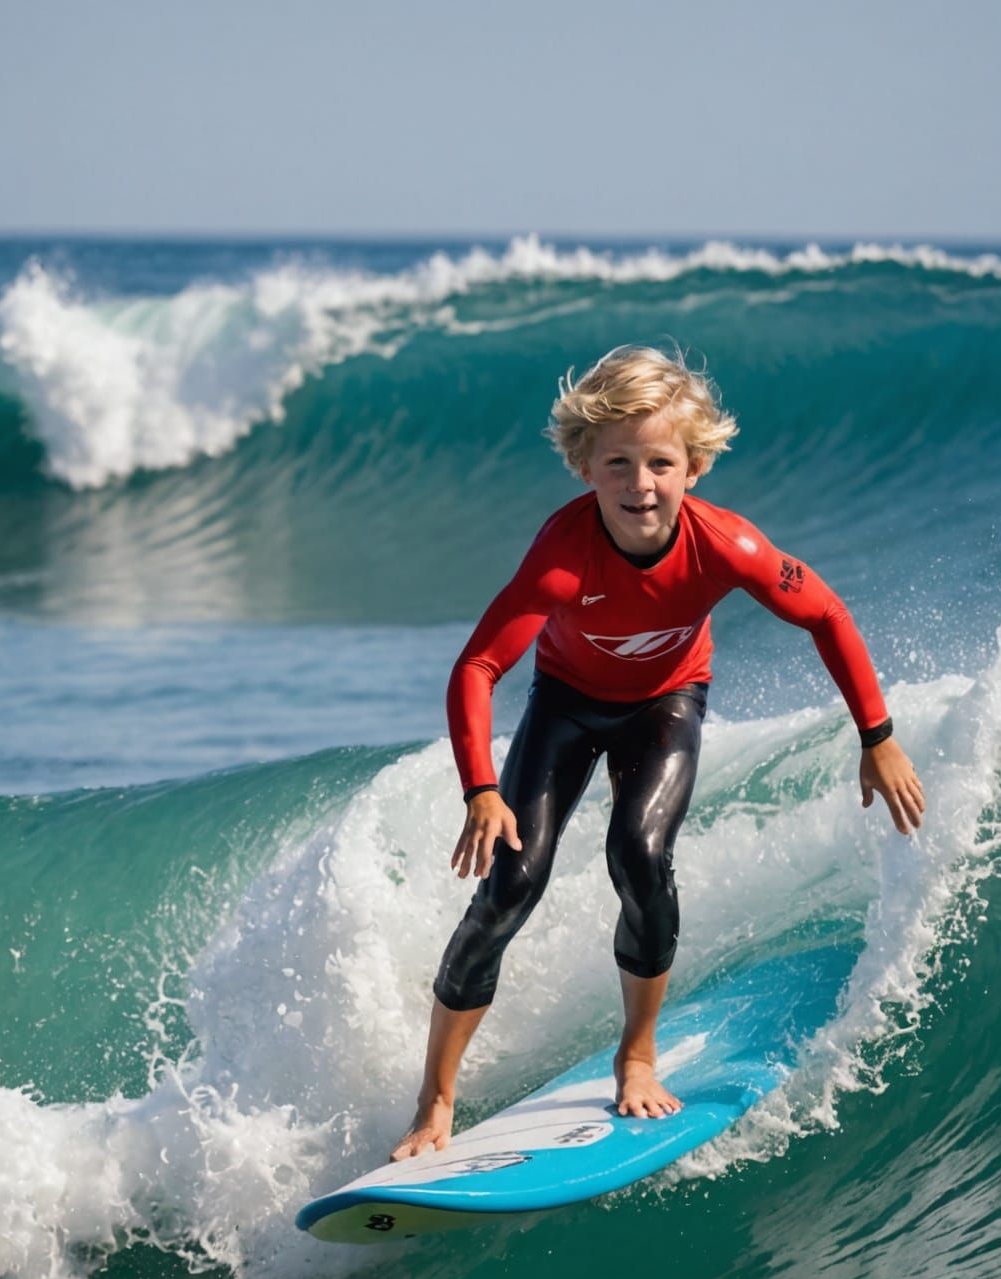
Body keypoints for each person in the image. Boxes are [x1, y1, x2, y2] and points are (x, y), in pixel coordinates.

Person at [390, 345, 925, 1161]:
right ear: (583, 466)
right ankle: (435, 1098)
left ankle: (636, 1054)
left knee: (640, 856)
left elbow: (826, 615)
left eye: (661, 463)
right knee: (509, 888)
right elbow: (479, 665)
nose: (641, 483)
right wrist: (482, 789)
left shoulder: (729, 547)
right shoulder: (563, 559)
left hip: (666, 703)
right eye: (618, 464)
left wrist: (877, 737)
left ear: (696, 465)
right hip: (566, 703)